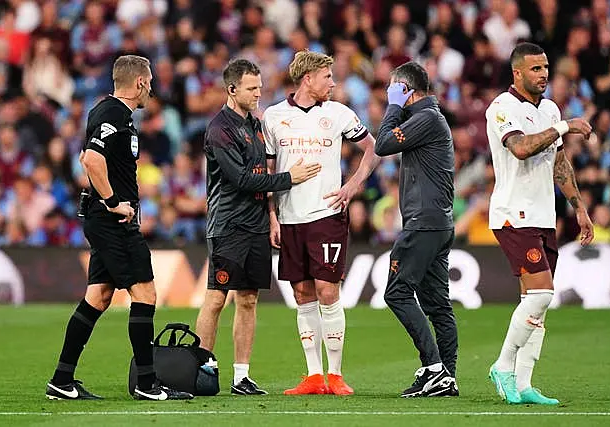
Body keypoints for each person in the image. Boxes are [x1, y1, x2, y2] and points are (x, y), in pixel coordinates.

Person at [46, 55, 193, 401]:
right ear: (140, 82)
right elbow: (91, 159)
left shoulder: (110, 112)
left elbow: (94, 158)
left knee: (98, 296)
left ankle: (62, 380)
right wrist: (113, 201)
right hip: (113, 220)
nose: (152, 87)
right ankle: (147, 384)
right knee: (145, 294)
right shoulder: (112, 114)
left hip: (104, 218)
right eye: (150, 80)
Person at [195, 59, 321, 396]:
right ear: (232, 89)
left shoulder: (255, 124)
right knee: (217, 298)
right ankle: (200, 368)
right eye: (252, 88)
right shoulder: (219, 128)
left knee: (248, 300)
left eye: (260, 86)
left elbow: (259, 177)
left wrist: (270, 217)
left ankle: (241, 376)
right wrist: (288, 179)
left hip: (254, 227)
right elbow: (239, 179)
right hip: (228, 225)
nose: (258, 93)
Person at [263, 50, 380, 395]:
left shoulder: (339, 113)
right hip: (288, 217)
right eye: (327, 76)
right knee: (302, 293)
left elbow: (372, 148)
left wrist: (353, 185)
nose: (333, 82)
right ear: (307, 78)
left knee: (328, 291)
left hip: (326, 214)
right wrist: (272, 215)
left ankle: (337, 374)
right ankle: (314, 376)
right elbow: (269, 171)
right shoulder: (273, 116)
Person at [486, 42, 594, 405]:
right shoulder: (502, 107)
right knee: (542, 293)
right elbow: (520, 148)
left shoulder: (549, 108)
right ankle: (502, 366)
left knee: (536, 303)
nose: (544, 74)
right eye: (535, 69)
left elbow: (558, 162)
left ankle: (524, 383)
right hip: (512, 214)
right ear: (517, 72)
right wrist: (564, 126)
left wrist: (579, 207)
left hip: (544, 216)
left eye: (546, 67)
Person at [374, 61, 459, 398]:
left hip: (424, 223)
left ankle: (434, 367)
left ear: (405, 89)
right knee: (437, 303)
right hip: (436, 222)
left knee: (396, 293)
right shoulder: (427, 119)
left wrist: (394, 106)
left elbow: (382, 144)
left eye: (393, 88)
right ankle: (446, 376)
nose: (388, 93)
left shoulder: (426, 118)